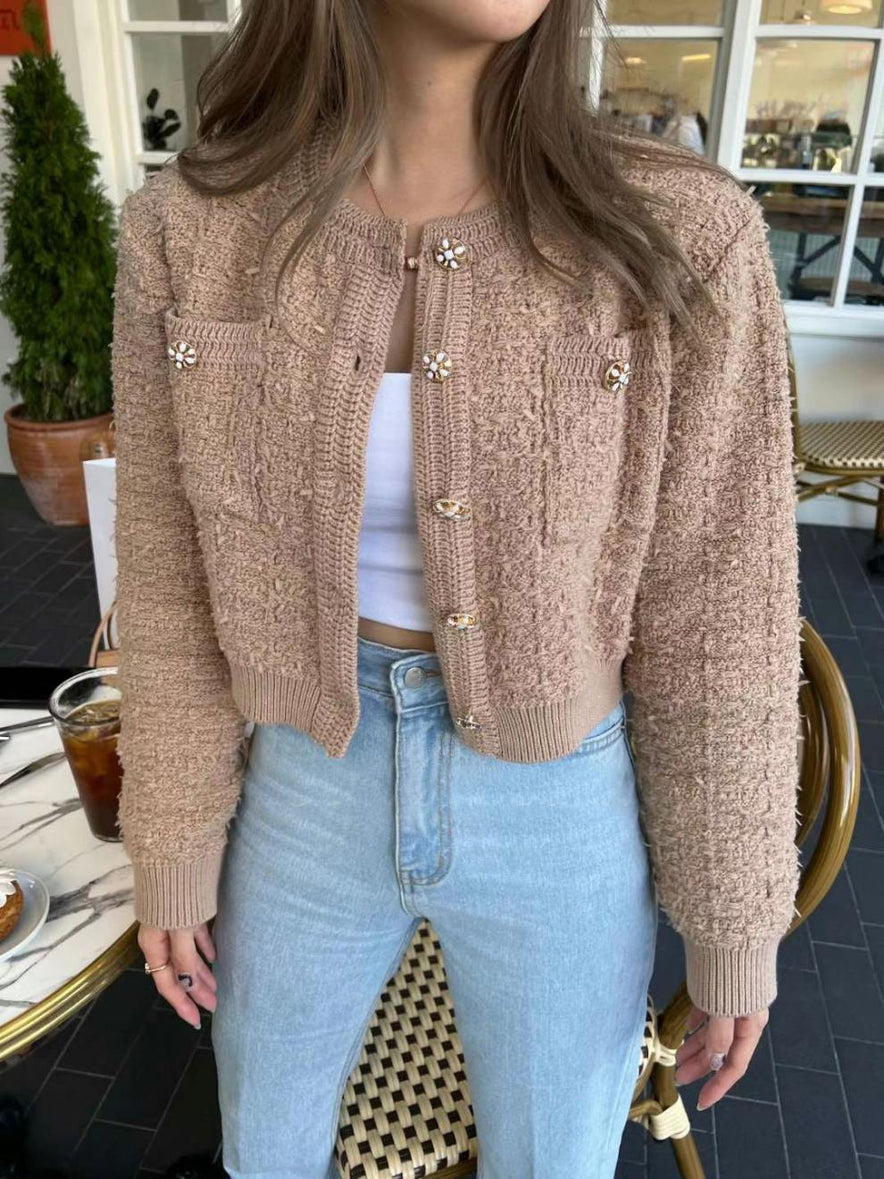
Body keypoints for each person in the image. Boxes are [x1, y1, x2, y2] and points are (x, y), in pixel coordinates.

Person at [110, 1, 803, 1176]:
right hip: (302, 784)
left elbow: (719, 605)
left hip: (558, 801)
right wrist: (170, 843)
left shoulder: (678, 232)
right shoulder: (193, 227)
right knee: (262, 1149)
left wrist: (733, 918)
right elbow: (168, 569)